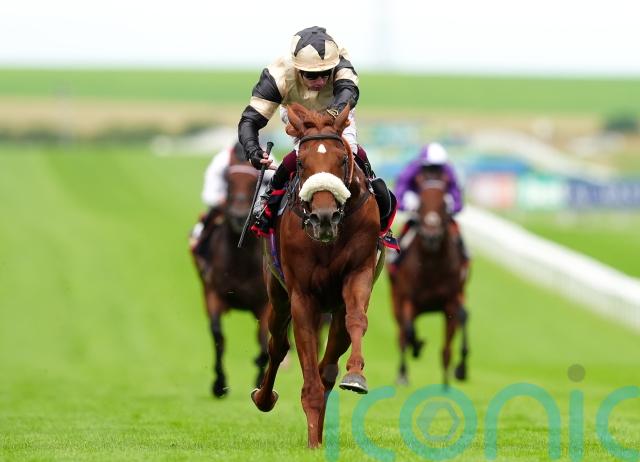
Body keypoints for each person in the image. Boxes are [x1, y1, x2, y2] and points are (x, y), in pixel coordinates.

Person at [237, 26, 395, 240]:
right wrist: (253, 151)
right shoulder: (277, 76)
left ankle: (375, 199)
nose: (320, 81)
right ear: (297, 69)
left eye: (325, 73)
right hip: (299, 113)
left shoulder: (341, 63)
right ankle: (269, 201)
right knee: (302, 156)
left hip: (337, 110)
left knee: (352, 151)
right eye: (312, 75)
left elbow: (348, 93)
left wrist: (330, 117)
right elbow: (249, 120)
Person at [189, 141, 273, 257]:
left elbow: (273, 181)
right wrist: (218, 199)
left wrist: (260, 202)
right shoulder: (222, 159)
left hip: (256, 203)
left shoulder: (267, 157)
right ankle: (201, 248)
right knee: (200, 229)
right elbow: (210, 188)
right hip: (227, 202)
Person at [394, 142, 469, 262]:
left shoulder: (447, 169)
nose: (434, 170)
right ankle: (396, 253)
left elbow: (455, 190)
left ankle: (464, 252)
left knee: (453, 226)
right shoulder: (414, 167)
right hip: (417, 198)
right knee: (410, 224)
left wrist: (454, 205)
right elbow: (401, 186)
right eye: (430, 167)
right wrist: (403, 203)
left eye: (437, 167)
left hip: (440, 201)